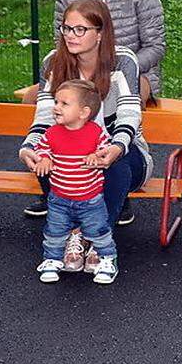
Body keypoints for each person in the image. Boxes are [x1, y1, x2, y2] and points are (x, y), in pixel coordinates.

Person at [20, 0, 153, 238]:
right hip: (73, 157)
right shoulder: (53, 63)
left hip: (124, 153)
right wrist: (28, 147)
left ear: (100, 33)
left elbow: (129, 114)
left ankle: (98, 236)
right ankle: (72, 233)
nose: (71, 35)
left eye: (80, 29)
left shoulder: (123, 61)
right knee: (47, 156)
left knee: (115, 161)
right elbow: (44, 117)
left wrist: (116, 147)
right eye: (67, 28)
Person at [30, 80, 119, 285]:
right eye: (56, 102)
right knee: (54, 230)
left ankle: (107, 260)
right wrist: (44, 158)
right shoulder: (52, 132)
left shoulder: (95, 132)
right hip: (59, 198)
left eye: (64, 104)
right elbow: (41, 148)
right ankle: (52, 259)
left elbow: (106, 149)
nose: (56, 107)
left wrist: (96, 156)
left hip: (90, 200)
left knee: (99, 231)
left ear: (83, 112)